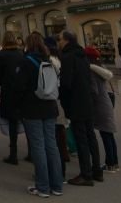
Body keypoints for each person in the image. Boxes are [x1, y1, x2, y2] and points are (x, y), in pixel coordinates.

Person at [17, 32, 64, 198]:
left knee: (38, 147)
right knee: (51, 145)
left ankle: (43, 187)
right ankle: (57, 185)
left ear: (27, 45)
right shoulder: (49, 60)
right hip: (50, 107)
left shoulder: (26, 62)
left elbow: (20, 87)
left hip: (32, 108)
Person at [58, 30, 102, 186]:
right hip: (87, 100)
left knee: (81, 138)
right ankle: (97, 170)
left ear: (67, 41)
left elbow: (66, 83)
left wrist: (64, 101)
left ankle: (86, 174)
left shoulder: (68, 57)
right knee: (90, 136)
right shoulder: (82, 55)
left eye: (60, 40)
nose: (59, 42)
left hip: (76, 102)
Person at [85, 46, 119, 172]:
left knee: (105, 134)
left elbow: (93, 90)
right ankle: (114, 162)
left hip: (99, 105)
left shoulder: (91, 71)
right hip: (106, 103)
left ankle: (110, 163)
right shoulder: (101, 68)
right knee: (109, 134)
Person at [0, 31, 24, 165]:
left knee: (12, 124)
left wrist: (5, 84)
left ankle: (13, 153)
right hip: (21, 92)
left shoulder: (1, 55)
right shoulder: (21, 54)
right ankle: (32, 153)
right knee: (25, 121)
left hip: (8, 92)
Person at [44, 36, 69, 178]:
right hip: (59, 97)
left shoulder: (51, 61)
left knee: (54, 135)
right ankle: (64, 156)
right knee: (59, 131)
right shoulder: (60, 58)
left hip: (54, 98)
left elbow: (48, 82)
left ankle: (58, 171)